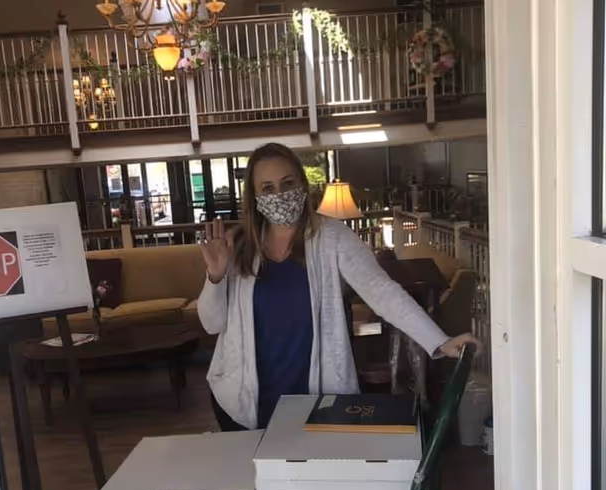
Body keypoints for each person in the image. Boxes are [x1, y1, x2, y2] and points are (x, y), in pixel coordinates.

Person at [198, 143, 477, 431]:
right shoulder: (238, 246)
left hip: (317, 400)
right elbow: (211, 324)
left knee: (313, 474)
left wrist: (439, 340)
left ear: (303, 185)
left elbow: (381, 292)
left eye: (288, 183)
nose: (279, 195)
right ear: (255, 197)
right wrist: (215, 276)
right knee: (256, 477)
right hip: (244, 401)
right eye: (267, 188)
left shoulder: (332, 237)